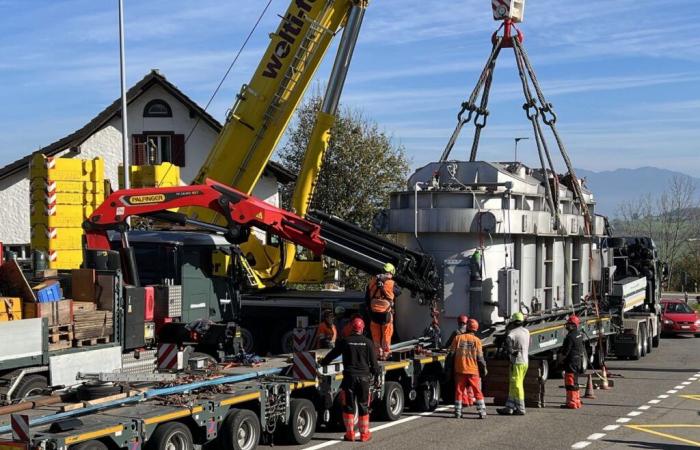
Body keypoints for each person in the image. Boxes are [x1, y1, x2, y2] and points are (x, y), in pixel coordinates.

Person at [320, 317, 379, 442]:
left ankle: (350, 434)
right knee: (363, 406)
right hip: (364, 379)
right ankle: (364, 435)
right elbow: (374, 364)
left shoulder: (345, 341)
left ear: (352, 328)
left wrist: (323, 362)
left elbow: (332, 354)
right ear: (362, 329)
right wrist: (377, 376)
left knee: (348, 406)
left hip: (349, 379)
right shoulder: (368, 342)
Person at [450, 318, 487, 419]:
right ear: (476, 329)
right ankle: (482, 412)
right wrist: (484, 369)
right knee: (477, 391)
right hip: (473, 371)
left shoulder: (457, 338)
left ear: (467, 327)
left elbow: (451, 355)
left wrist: (448, 369)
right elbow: (480, 358)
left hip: (460, 370)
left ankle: (458, 412)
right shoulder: (477, 341)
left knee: (459, 391)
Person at [497, 312, 530, 416]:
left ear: (513, 322)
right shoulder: (527, 331)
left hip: (517, 362)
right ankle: (509, 407)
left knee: (517, 384)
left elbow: (508, 346)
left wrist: (511, 352)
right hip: (525, 361)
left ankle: (521, 408)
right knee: (513, 384)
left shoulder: (512, 333)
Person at [367, 263, 397, 360]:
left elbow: (367, 298)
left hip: (374, 314)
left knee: (376, 335)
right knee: (387, 333)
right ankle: (386, 354)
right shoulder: (392, 283)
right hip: (385, 314)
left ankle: (378, 353)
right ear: (391, 272)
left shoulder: (372, 282)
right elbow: (398, 292)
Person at [559, 315, 584, 409]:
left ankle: (572, 402)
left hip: (571, 362)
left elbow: (565, 351)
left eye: (569, 324)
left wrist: (560, 360)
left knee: (570, 383)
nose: (567, 326)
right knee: (575, 382)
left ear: (573, 325)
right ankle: (577, 401)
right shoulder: (579, 334)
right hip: (578, 361)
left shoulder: (570, 337)